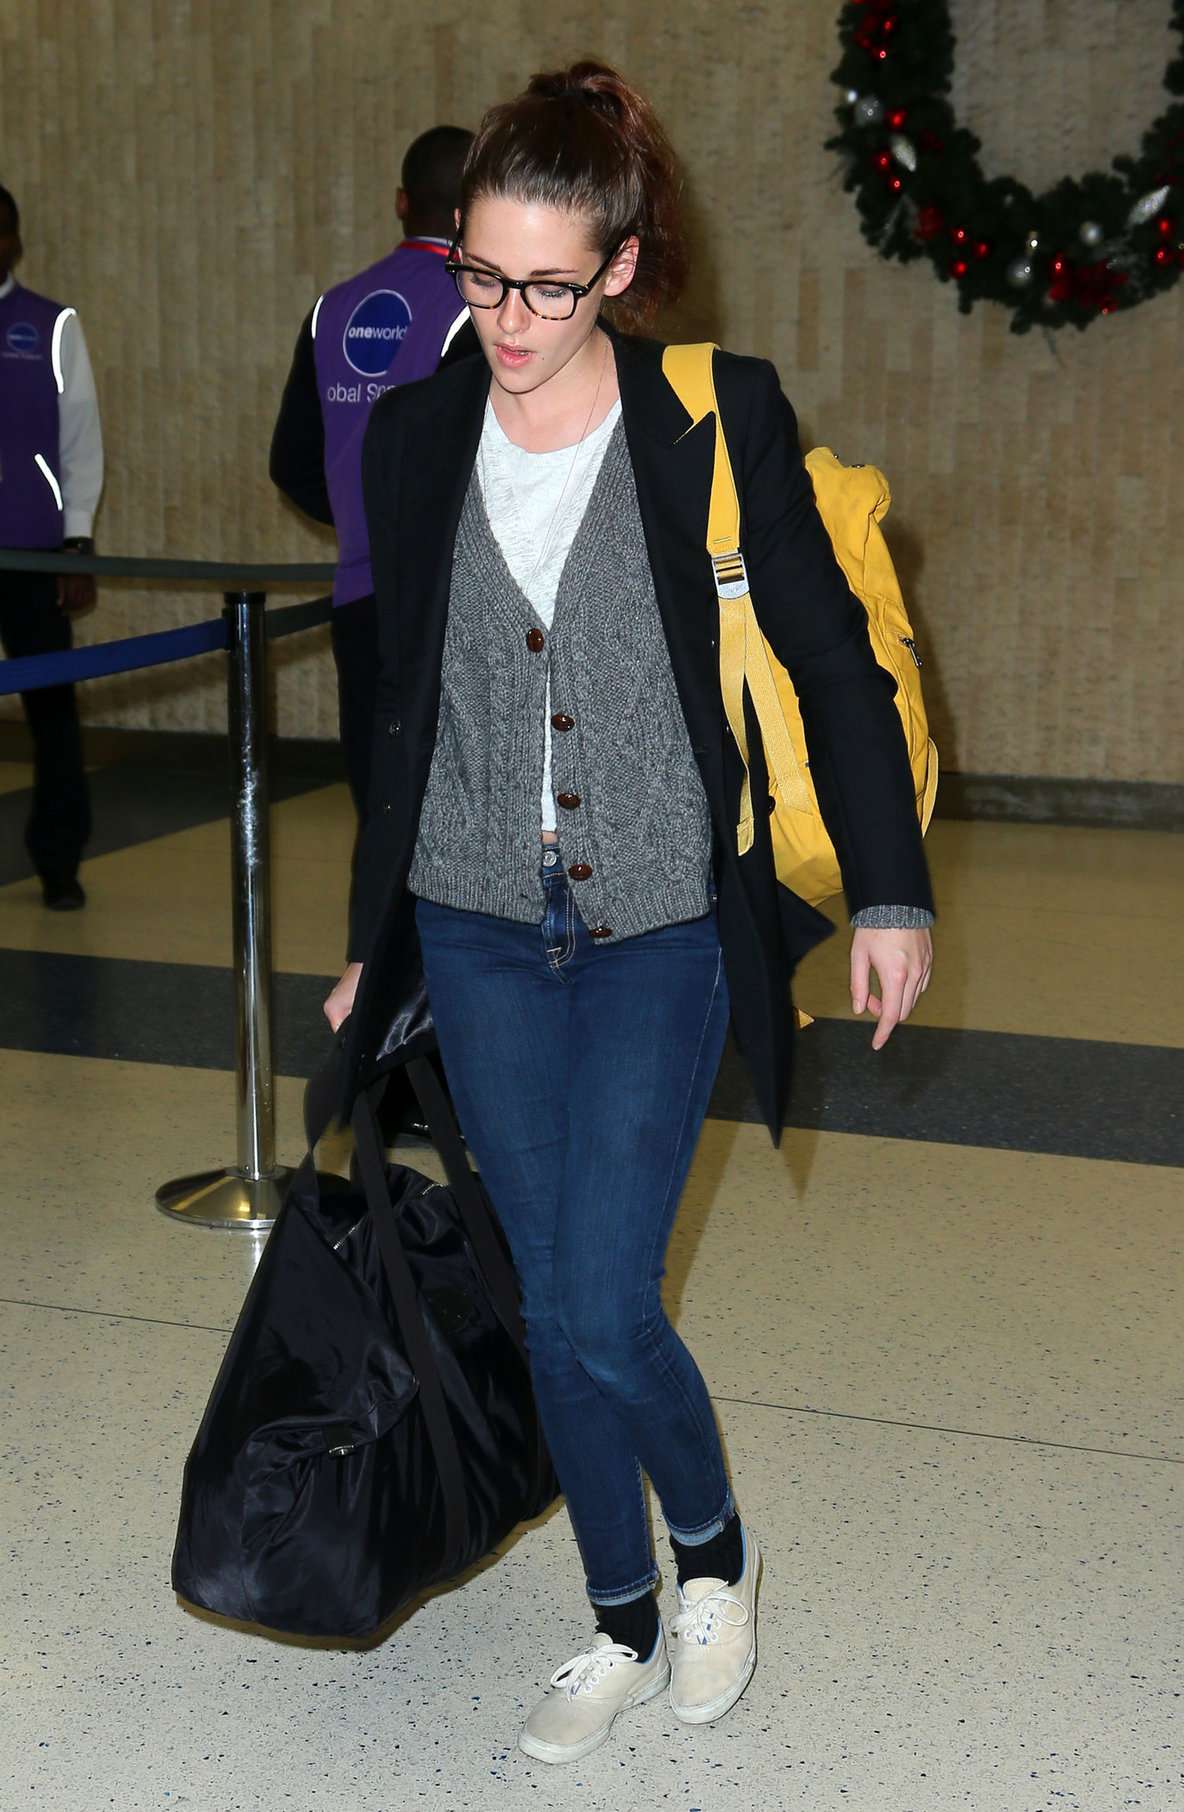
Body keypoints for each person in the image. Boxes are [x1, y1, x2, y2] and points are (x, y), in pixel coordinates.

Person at [324, 63, 934, 1766]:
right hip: (472, 917)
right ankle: (612, 1614)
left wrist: (886, 887)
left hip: (662, 917)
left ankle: (713, 1554)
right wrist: (375, 936)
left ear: (615, 267)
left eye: (542, 281)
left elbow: (825, 659)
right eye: (476, 271)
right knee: (543, 1300)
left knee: (602, 1298)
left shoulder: (712, 412)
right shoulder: (415, 428)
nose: (503, 316)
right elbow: (403, 706)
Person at [270, 125, 473, 837]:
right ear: (472, 209)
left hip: (358, 596)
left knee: (379, 812)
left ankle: (372, 949)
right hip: (451, 604)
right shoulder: (482, 312)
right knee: (452, 820)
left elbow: (291, 463)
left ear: (399, 201)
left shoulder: (332, 309)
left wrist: (364, 518)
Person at [0, 183, 103, 909]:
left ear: (14, 241)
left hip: (36, 552)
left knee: (52, 715)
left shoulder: (50, 325)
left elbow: (81, 438)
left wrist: (78, 542)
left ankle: (58, 857)